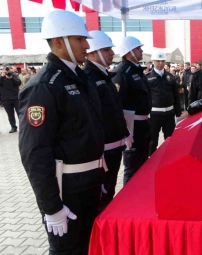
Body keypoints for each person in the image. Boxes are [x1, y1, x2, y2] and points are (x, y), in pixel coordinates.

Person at [18, 10, 106, 254]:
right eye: (80, 39)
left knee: (88, 247)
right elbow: (35, 152)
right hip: (66, 190)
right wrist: (51, 207)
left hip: (88, 183)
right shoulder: (44, 86)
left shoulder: (81, 77)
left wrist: (95, 175)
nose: (87, 45)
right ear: (58, 42)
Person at [83, 30, 130, 212]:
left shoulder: (104, 75)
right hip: (103, 152)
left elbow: (114, 109)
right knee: (101, 199)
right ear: (93, 53)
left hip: (114, 146)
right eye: (106, 49)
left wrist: (125, 133)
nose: (112, 53)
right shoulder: (89, 77)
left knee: (108, 193)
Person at [112, 36, 151, 185]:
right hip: (132, 126)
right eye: (138, 48)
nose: (141, 51)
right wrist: (125, 131)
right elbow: (117, 104)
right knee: (132, 166)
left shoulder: (136, 70)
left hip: (143, 124)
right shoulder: (122, 72)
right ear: (129, 52)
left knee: (142, 163)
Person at [145, 50, 182, 155]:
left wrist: (178, 114)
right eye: (158, 61)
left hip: (169, 114)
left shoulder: (171, 77)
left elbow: (176, 96)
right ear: (153, 61)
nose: (160, 63)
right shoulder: (147, 77)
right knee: (152, 141)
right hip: (154, 115)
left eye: (162, 61)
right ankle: (151, 164)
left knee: (169, 140)